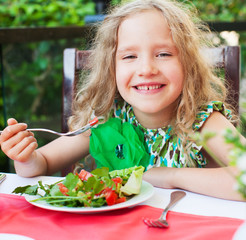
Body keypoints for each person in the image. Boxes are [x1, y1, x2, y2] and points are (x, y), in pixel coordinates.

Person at [0, 0, 245, 201]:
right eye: (129, 56)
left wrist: (169, 176)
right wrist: (25, 158)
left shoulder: (203, 121)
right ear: (111, 69)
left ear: (189, 65)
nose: (146, 68)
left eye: (163, 54)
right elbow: (41, 164)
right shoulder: (108, 119)